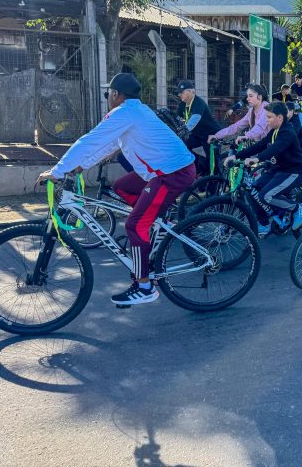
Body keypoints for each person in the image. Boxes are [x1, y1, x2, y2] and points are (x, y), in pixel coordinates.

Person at [38, 73, 196, 306]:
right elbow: (109, 144)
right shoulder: (135, 111)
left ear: (115, 94)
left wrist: (59, 170)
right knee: (122, 187)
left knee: (134, 224)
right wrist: (81, 166)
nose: (107, 98)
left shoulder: (125, 112)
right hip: (164, 171)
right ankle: (158, 221)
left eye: (108, 94)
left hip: (172, 174)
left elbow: (90, 140)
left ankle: (144, 287)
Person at [226, 101, 302, 236]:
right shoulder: (275, 131)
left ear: (280, 118)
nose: (266, 120)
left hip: (292, 172)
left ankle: (298, 208)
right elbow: (260, 145)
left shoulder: (288, 132)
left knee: (266, 196)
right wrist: (236, 156)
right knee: (252, 190)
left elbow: (276, 148)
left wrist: (257, 159)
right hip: (277, 170)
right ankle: (264, 223)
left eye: (269, 117)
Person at [175, 79, 221, 174]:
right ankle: (198, 165)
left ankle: (215, 183)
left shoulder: (198, 102)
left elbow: (194, 119)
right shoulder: (182, 104)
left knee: (212, 162)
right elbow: (176, 119)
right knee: (181, 145)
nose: (179, 95)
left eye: (182, 92)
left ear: (190, 92)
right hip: (197, 134)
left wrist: (184, 131)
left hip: (211, 134)